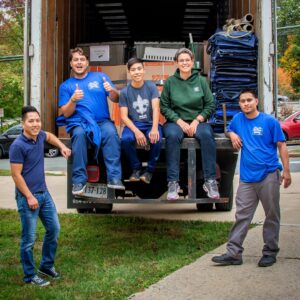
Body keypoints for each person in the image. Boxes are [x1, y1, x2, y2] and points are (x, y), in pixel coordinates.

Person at [212, 89, 291, 267]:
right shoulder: (238, 120)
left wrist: (286, 171)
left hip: (268, 174)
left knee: (271, 215)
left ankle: (270, 252)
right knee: (242, 216)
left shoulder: (269, 121)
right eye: (242, 101)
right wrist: (231, 134)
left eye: (249, 100)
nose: (246, 103)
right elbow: (228, 129)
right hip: (247, 178)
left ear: (256, 101)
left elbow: (281, 145)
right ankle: (233, 253)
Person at [9, 106, 71, 286]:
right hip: (28, 197)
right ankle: (29, 276)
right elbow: (16, 175)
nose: (35, 124)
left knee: (54, 229)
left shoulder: (40, 136)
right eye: (31, 121)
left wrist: (62, 146)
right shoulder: (18, 146)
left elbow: (50, 136)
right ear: (23, 124)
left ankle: (46, 266)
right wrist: (29, 196)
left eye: (37, 120)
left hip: (44, 194)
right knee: (29, 239)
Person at [57, 47, 124, 195]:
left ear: (87, 62)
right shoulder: (66, 86)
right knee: (79, 136)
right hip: (79, 122)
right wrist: (73, 99)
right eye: (75, 60)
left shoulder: (100, 77)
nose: (79, 63)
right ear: (71, 63)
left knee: (112, 134)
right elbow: (66, 113)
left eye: (82, 59)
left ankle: (114, 178)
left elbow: (116, 99)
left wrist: (113, 91)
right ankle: (79, 181)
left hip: (102, 122)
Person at [160, 47, 219, 201]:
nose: (185, 63)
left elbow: (210, 104)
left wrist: (196, 120)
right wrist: (179, 121)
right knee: (172, 136)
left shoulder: (200, 81)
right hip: (175, 122)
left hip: (197, 121)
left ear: (192, 62)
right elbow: (164, 106)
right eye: (181, 60)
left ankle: (210, 181)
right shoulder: (170, 82)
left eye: (187, 60)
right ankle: (173, 183)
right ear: (176, 63)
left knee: (207, 135)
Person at [119, 58, 162, 184]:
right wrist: (137, 132)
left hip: (150, 123)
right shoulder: (124, 92)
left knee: (157, 139)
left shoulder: (151, 87)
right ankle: (136, 168)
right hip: (134, 124)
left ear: (144, 70)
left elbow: (155, 108)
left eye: (139, 69)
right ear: (129, 72)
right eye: (133, 70)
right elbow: (124, 117)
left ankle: (149, 170)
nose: (136, 72)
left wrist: (154, 128)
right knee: (126, 139)